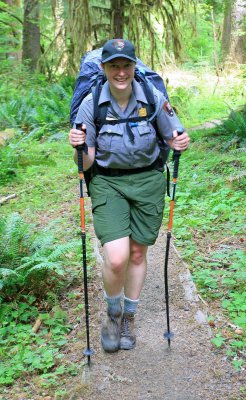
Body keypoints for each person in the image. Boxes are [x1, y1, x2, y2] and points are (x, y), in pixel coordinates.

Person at [69, 39, 190, 353]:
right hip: (108, 183)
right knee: (118, 256)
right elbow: (86, 164)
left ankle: (129, 320)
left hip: (148, 182)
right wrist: (79, 145)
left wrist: (180, 142)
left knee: (137, 254)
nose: (120, 72)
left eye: (126, 65)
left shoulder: (152, 97)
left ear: (135, 67)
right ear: (104, 68)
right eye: (113, 66)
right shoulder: (92, 102)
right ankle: (112, 313)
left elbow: (172, 135)